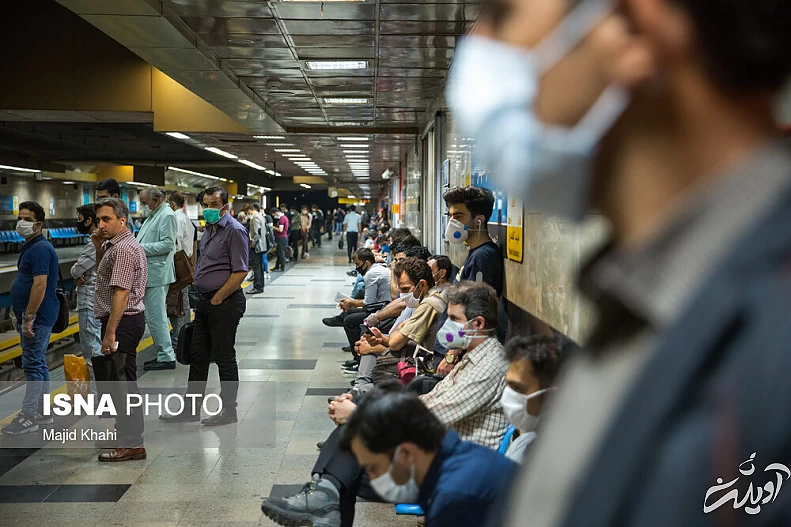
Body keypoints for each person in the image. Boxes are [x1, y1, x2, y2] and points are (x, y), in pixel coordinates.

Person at [452, 1, 791, 526]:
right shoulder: (640, 302)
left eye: (503, 13)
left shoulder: (771, 337)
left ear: (634, 30)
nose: (478, 53)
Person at [261, 281, 510, 527]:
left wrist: (361, 414)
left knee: (346, 462)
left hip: (456, 471)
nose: (447, 325)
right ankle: (325, 497)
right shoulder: (471, 360)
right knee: (343, 471)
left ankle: (323, 496)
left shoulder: (488, 366)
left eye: (454, 319)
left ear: (477, 324)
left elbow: (430, 417)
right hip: (440, 456)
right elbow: (428, 401)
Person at [342, 390, 518, 527]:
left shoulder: (454, 496)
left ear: (405, 453)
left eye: (374, 468)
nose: (372, 478)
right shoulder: (457, 459)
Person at [160, 187, 247, 426]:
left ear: (225, 206)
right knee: (198, 356)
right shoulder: (208, 229)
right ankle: (191, 408)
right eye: (205, 204)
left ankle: (229, 409)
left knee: (224, 356)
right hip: (205, 301)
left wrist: (218, 298)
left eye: (213, 204)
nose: (208, 209)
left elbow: (240, 271)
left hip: (225, 302)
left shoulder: (235, 231)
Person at [92, 197, 148, 461]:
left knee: (124, 384)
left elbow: (122, 293)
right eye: (99, 219)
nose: (101, 224)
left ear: (122, 221)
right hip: (124, 320)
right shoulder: (117, 246)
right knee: (119, 382)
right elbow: (108, 274)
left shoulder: (124, 250)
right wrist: (97, 246)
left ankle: (132, 442)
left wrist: (110, 332)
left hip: (123, 322)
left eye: (107, 219)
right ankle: (124, 432)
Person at [1, 202, 60, 435]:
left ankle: (28, 416)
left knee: (32, 364)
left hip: (38, 316)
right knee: (39, 363)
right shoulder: (31, 245)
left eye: (27, 219)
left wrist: (28, 318)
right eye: (20, 217)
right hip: (34, 314)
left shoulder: (41, 249)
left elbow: (40, 284)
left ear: (39, 224)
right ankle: (43, 412)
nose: (22, 223)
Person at [500, 335, 570, 463]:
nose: (507, 395)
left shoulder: (562, 457)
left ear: (550, 396)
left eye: (517, 388)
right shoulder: (523, 442)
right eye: (508, 385)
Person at [137, 188, 178, 371]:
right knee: (153, 316)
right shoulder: (154, 215)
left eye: (146, 203)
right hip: (151, 273)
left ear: (157, 199)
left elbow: (168, 244)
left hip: (157, 274)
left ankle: (166, 355)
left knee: (157, 316)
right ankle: (163, 353)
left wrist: (139, 248)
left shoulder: (167, 215)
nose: (144, 207)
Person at [70, 204, 102, 389]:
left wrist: (76, 272)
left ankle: (98, 398)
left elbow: (77, 269)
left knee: (91, 350)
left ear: (89, 220)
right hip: (96, 299)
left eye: (80, 218)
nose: (78, 222)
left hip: (90, 300)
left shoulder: (94, 242)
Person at [338, 248, 392, 353]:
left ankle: (357, 355)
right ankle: (342, 318)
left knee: (349, 320)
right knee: (351, 312)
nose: (357, 268)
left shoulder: (371, 274)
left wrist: (352, 303)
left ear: (366, 263)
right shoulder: (378, 268)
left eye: (358, 264)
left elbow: (369, 303)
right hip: (382, 303)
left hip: (383, 307)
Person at [167, 191, 196, 351]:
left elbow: (175, 242)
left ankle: (179, 338)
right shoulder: (185, 217)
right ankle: (184, 336)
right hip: (186, 262)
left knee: (177, 302)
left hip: (178, 263)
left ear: (172, 204)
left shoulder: (176, 218)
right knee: (182, 302)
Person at [246, 203, 266, 294]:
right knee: (260, 266)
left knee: (256, 266)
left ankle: (257, 287)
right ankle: (260, 286)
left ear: (251, 209)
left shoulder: (255, 217)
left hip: (257, 245)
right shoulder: (261, 216)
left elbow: (257, 232)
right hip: (261, 245)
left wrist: (253, 243)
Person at [270, 207, 289, 272]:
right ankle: (277, 266)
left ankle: (282, 267)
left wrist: (273, 227)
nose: (274, 216)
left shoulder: (282, 219)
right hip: (282, 237)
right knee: (279, 253)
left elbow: (280, 230)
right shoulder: (283, 218)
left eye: (274, 215)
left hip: (281, 238)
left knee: (281, 253)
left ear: (276, 213)